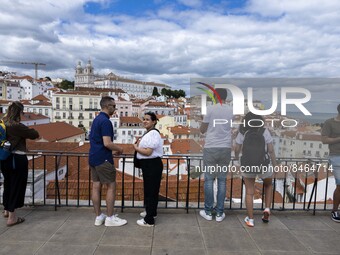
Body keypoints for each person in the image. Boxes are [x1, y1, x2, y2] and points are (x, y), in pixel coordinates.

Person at [234, 112, 277, 227]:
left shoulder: (243, 132)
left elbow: (237, 148)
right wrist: (275, 164)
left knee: (249, 192)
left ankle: (251, 219)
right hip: (263, 164)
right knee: (268, 185)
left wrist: (236, 157)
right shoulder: (264, 131)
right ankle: (267, 209)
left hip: (248, 164)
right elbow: (271, 150)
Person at [89, 96, 127, 227]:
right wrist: (120, 148)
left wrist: (111, 150)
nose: (115, 109)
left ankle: (99, 217)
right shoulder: (106, 122)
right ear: (107, 106)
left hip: (93, 158)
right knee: (111, 186)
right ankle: (110, 218)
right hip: (104, 160)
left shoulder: (96, 120)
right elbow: (107, 143)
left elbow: (98, 142)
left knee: (96, 186)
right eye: (114, 106)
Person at [1, 101, 39, 226]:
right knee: (16, 186)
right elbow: (34, 134)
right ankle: (12, 217)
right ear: (19, 112)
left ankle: (6, 210)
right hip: (16, 159)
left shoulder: (3, 123)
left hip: (4, 159)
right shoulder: (17, 126)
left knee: (8, 184)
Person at [199, 88, 233, 222]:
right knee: (222, 180)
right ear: (225, 96)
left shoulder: (210, 109)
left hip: (211, 147)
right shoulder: (231, 110)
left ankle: (208, 212)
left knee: (209, 180)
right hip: (225, 147)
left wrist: (203, 122)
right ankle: (219, 213)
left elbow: (202, 130)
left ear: (214, 96)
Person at [134, 112, 163, 227]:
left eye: (147, 120)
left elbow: (148, 152)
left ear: (154, 122)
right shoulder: (149, 133)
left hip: (152, 165)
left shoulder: (153, 134)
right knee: (150, 190)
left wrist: (136, 147)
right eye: (144, 119)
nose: (145, 121)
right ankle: (151, 212)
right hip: (149, 165)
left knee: (151, 191)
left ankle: (149, 220)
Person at [321, 104, 340, 223]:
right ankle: (334, 210)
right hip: (336, 156)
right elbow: (324, 140)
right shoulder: (329, 123)